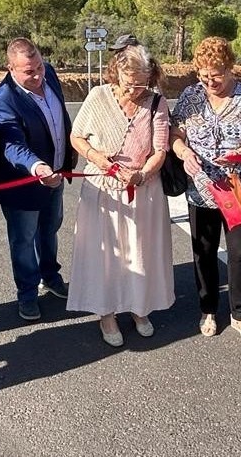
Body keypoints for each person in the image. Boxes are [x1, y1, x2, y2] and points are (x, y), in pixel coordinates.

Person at [67, 42, 174, 346]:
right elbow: (76, 136)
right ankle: (106, 313)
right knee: (106, 256)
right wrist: (96, 156)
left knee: (140, 253)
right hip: (101, 189)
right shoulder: (98, 96)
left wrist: (143, 173)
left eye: (142, 83)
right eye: (129, 83)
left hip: (143, 189)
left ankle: (139, 308)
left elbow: (160, 150)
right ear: (116, 74)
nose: (135, 90)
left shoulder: (156, 102)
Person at [171, 37, 241, 343]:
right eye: (203, 76)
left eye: (216, 75)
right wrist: (183, 152)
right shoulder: (191, 95)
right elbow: (175, 133)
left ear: (230, 69)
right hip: (201, 190)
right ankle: (208, 310)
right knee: (203, 252)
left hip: (238, 188)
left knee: (240, 253)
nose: (210, 82)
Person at [0, 38, 75, 321]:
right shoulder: (2, 100)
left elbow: (61, 115)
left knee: (50, 228)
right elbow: (12, 145)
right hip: (23, 184)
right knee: (23, 240)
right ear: (10, 68)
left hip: (56, 175)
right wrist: (37, 166)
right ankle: (27, 294)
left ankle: (50, 276)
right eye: (29, 72)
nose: (38, 75)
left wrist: (69, 153)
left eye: (38, 66)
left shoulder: (49, 72)